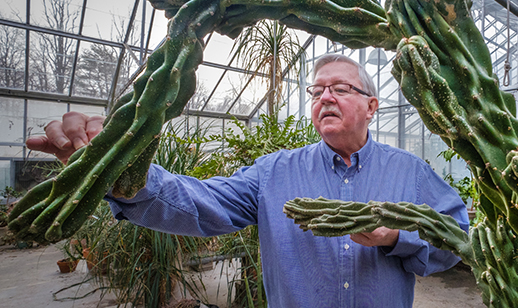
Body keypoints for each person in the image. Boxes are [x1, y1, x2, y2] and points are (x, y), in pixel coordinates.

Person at [26, 54, 469, 308]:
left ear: (371, 107)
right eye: (316, 91)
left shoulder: (410, 172)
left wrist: (396, 237)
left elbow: (456, 241)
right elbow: (197, 203)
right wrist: (122, 173)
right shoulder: (274, 172)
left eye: (340, 88)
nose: (324, 97)